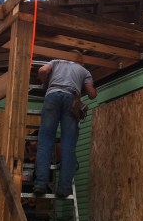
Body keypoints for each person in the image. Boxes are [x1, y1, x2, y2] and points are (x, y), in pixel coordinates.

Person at [33, 52, 97, 198]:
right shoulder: (84, 71)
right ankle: (64, 188)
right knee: (68, 145)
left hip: (52, 96)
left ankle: (40, 184)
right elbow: (92, 94)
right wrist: (94, 91)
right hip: (71, 100)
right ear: (81, 61)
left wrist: (45, 83)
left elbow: (43, 70)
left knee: (45, 141)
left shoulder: (56, 62)